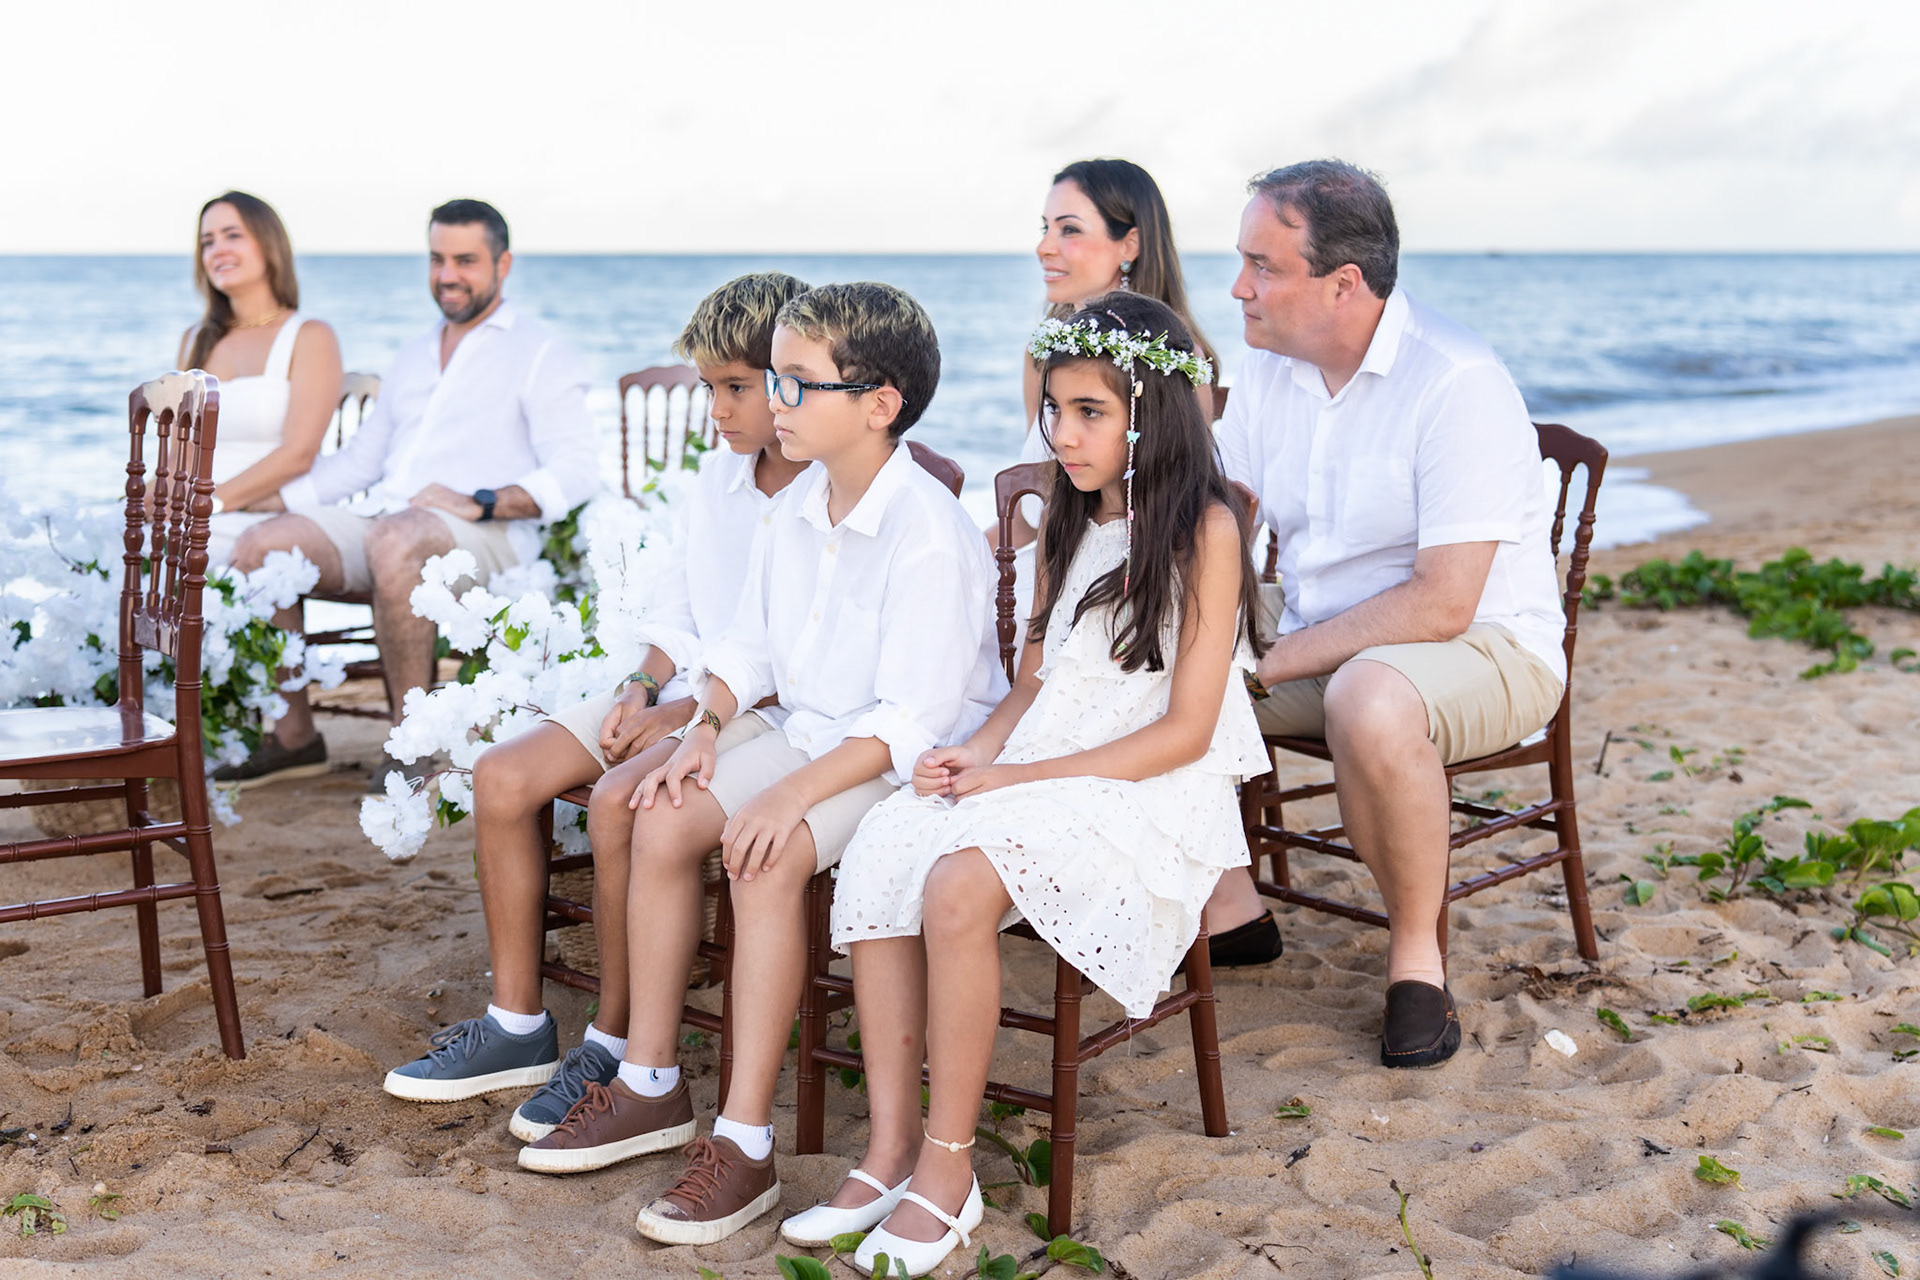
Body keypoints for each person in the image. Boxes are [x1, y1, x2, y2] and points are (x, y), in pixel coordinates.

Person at [517, 283, 1007, 1250]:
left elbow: (911, 723)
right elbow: (750, 651)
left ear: (880, 404)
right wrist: (700, 727)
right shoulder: (800, 505)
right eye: (774, 378)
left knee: (762, 850)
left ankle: (743, 1142)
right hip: (810, 731)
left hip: (899, 761)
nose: (777, 399)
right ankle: (653, 1083)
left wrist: (784, 792)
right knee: (662, 811)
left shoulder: (929, 530)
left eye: (799, 382)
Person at [800, 294, 1268, 1276]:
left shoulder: (1204, 527)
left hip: (1153, 781)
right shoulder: (1067, 514)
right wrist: (981, 752)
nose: (1062, 432)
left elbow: (1185, 729)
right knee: (890, 837)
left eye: (1089, 411)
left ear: (1150, 411)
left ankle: (948, 1164)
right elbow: (1030, 682)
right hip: (1050, 749)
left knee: (960, 879)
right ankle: (889, 1145)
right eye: (1053, 409)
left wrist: (1022, 774)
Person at [378, 273, 814, 1138]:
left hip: (757, 709)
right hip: (680, 686)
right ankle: (517, 1026)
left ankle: (612, 1040)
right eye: (709, 390)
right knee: (502, 776)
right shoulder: (717, 484)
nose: (717, 411)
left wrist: (683, 711)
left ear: (790, 379)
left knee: (621, 803)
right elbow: (678, 610)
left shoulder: (821, 491)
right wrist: (640, 686)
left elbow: (795, 657)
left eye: (736, 388)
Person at [1217, 160, 1568, 1068]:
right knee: (1157, 673)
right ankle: (1230, 908)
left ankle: (1417, 960)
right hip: (1323, 632)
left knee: (1366, 699)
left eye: (1263, 265)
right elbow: (1217, 516)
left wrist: (1265, 659)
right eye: (1241, 260)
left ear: (1343, 284)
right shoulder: (1268, 371)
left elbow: (1444, 599)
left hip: (1487, 644)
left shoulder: (1456, 381)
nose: (1238, 286)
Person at [219, 199, 598, 790]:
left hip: (489, 539)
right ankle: (294, 738)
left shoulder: (539, 350)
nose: (448, 275)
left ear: (504, 263)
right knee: (263, 545)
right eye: (437, 259)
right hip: (387, 523)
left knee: (395, 537)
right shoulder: (414, 352)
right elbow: (362, 461)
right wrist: (279, 498)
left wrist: (485, 500)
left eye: (466, 260)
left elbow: (577, 470)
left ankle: (412, 743)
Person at [1011, 158, 1283, 968]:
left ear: (1128, 244)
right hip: (1063, 538)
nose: (1046, 247)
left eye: (1070, 229)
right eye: (1044, 228)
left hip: (1149, 560)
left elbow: (1181, 492)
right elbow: (1051, 470)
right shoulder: (1050, 349)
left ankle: (1207, 890)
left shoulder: (1163, 356)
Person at [176, 191, 343, 566]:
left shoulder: (310, 335)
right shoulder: (195, 340)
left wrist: (206, 506)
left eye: (233, 235)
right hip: (196, 513)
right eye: (207, 241)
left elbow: (299, 456)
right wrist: (150, 503)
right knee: (107, 537)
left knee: (191, 546)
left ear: (268, 244)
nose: (218, 249)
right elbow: (178, 454)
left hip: (263, 515)